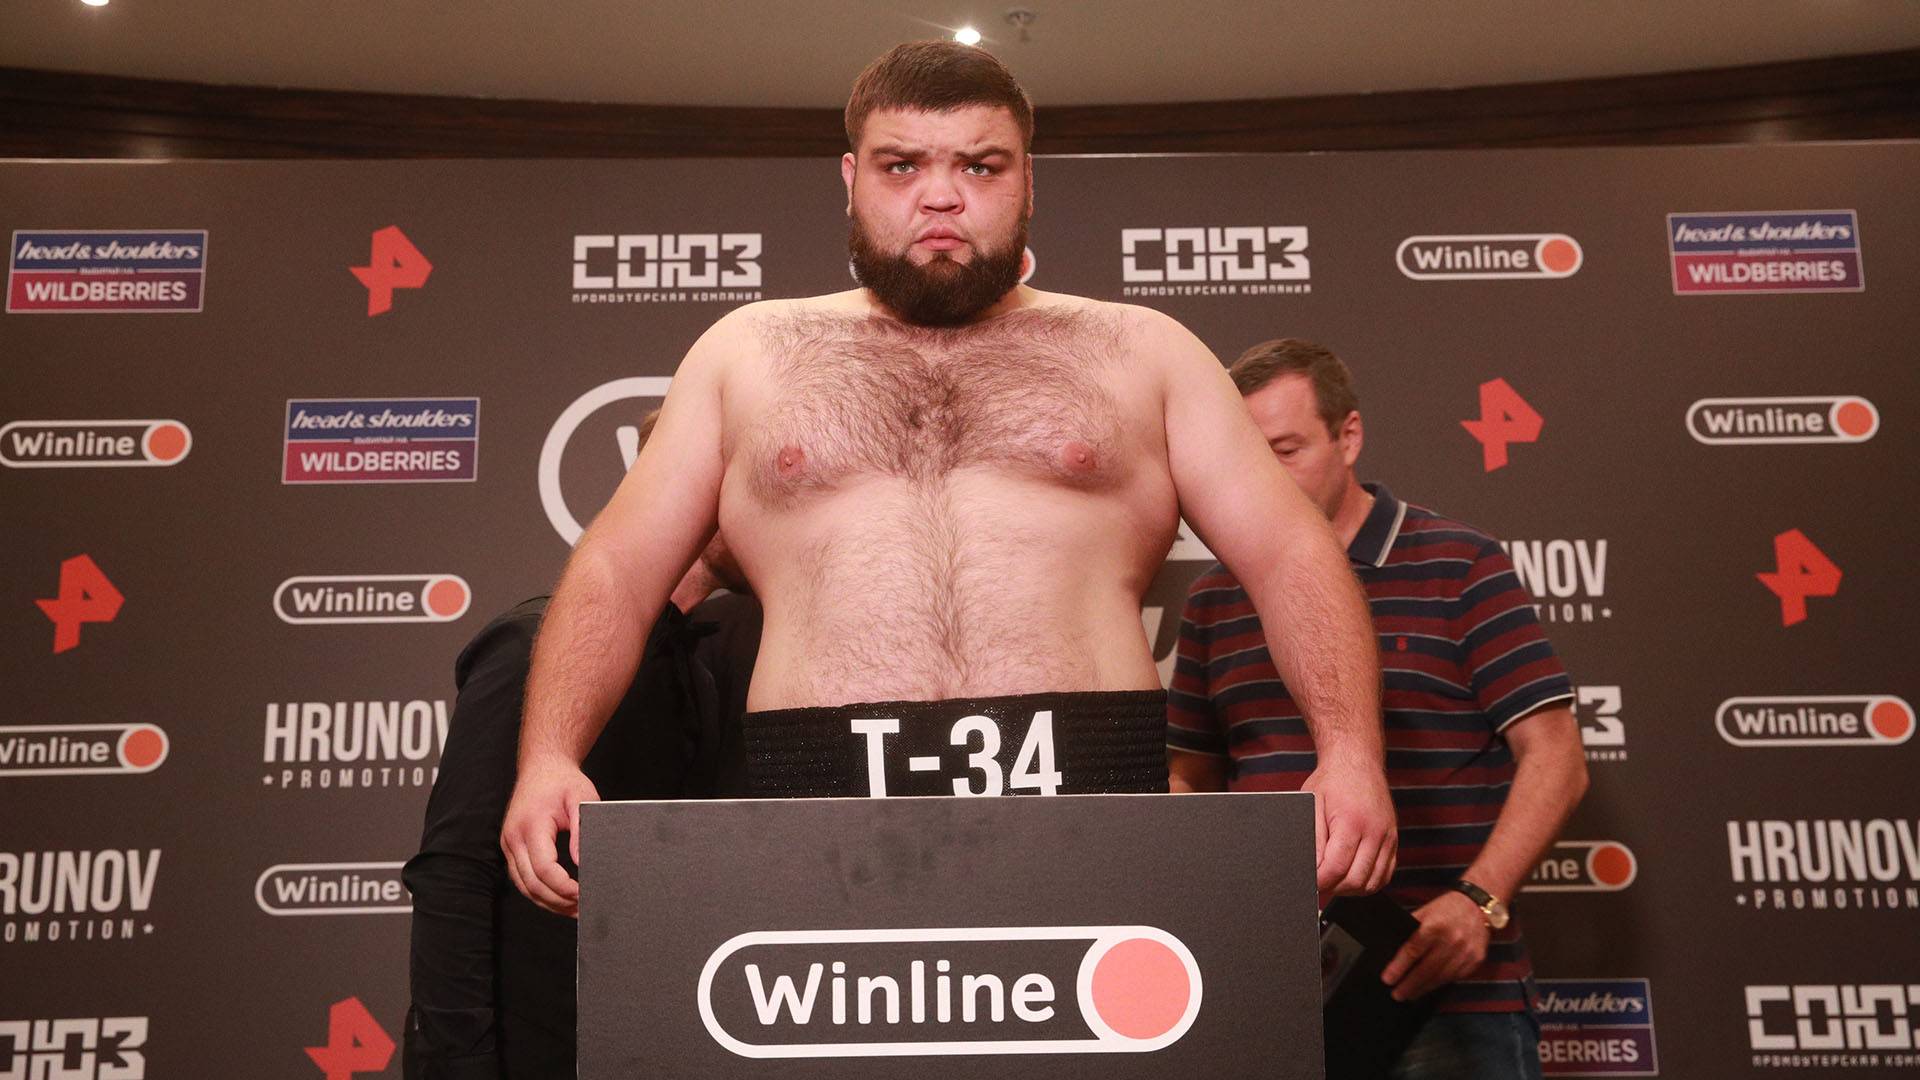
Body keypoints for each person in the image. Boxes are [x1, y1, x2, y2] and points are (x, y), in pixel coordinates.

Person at [502, 41, 1395, 920]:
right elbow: (619, 568)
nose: (941, 195)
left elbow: (1290, 552)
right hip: (815, 795)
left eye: (980, 165)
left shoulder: (1143, 351)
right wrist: (548, 756)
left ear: (1028, 183)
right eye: (901, 165)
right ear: (851, 178)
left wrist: (1351, 753)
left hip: (1092, 789)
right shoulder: (747, 354)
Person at [1166, 339, 1590, 1080]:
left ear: (1349, 436)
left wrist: (1478, 901)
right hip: (1270, 993)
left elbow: (1556, 755)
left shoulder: (1460, 565)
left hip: (1445, 988)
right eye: (1251, 457)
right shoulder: (1213, 599)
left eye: (1287, 450)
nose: (1268, 477)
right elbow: (1190, 778)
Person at [402, 413, 762, 1080]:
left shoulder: (704, 668)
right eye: (758, 485)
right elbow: (453, 874)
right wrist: (461, 1066)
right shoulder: (534, 646)